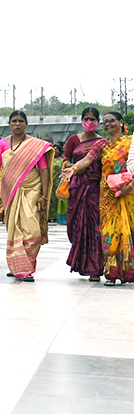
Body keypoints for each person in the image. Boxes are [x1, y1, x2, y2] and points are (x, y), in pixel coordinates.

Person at [69, 111, 134, 285]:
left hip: (128, 192)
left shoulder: (130, 142)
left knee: (128, 231)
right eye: (104, 122)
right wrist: (74, 168)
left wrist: (130, 187)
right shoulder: (101, 144)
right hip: (106, 194)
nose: (107, 124)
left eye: (111, 121)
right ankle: (111, 273)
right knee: (108, 233)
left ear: (121, 122)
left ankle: (127, 271)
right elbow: (89, 159)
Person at [0, 110, 54, 282]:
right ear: (9, 124)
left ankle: (25, 265)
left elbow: (44, 171)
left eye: (20, 121)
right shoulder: (3, 144)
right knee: (14, 228)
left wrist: (45, 196)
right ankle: (19, 267)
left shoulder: (35, 146)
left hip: (33, 190)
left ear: (26, 124)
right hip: (10, 191)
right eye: (14, 121)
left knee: (32, 230)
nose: (17, 124)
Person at [61, 108, 106, 281]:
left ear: (98, 121)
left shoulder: (102, 142)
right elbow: (66, 159)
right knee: (76, 226)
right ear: (81, 120)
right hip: (77, 186)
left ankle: (95, 268)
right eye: (86, 118)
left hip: (95, 188)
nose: (89, 121)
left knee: (95, 227)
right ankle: (80, 262)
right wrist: (70, 168)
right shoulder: (74, 140)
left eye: (92, 118)